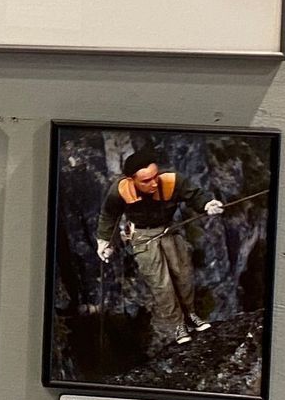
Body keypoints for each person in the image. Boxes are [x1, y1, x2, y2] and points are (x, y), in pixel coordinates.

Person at [95, 146, 224, 349]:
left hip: (168, 230)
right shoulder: (120, 191)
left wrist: (207, 204)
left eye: (155, 177)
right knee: (161, 283)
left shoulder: (172, 181)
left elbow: (195, 195)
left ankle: (191, 315)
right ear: (132, 180)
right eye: (146, 181)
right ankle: (178, 325)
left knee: (183, 275)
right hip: (143, 237)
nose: (154, 183)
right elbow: (109, 215)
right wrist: (105, 242)